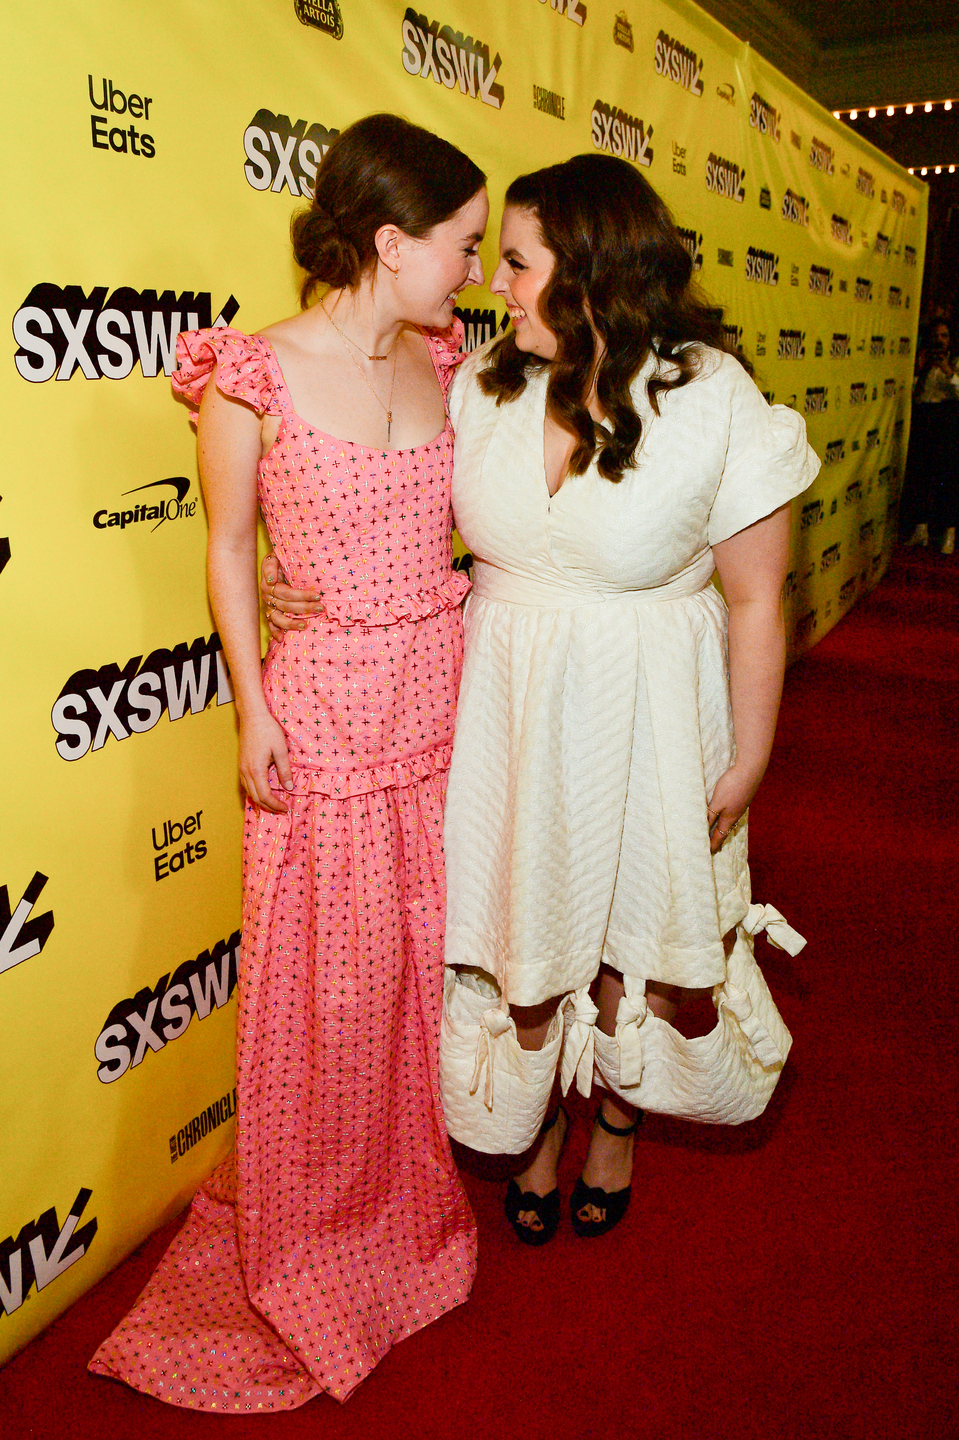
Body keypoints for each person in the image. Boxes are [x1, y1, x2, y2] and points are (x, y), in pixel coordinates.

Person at [264, 154, 819, 1249]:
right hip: (504, 708)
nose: (492, 285)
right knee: (522, 928)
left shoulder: (710, 395)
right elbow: (373, 509)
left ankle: (614, 1120)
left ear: (590, 268)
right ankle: (530, 1133)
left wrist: (747, 755)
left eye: (514, 263)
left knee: (628, 938)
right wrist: (288, 580)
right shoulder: (476, 384)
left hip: (652, 708)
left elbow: (757, 600)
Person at [89, 113, 488, 1410]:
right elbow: (225, 552)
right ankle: (312, 1233)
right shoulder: (250, 369)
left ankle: (398, 1202)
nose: (473, 269)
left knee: (410, 976)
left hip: (439, 697)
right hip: (319, 715)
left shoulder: (446, 355)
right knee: (320, 988)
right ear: (389, 239)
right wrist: (251, 706)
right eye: (460, 243)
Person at [902, 319, 958, 555]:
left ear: (950, 340)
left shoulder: (954, 362)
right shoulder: (923, 360)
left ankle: (948, 534)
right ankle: (921, 529)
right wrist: (919, 368)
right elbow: (913, 392)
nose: (939, 340)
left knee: (946, 478)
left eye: (944, 336)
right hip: (923, 418)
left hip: (947, 420)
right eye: (935, 336)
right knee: (920, 475)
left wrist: (948, 371)